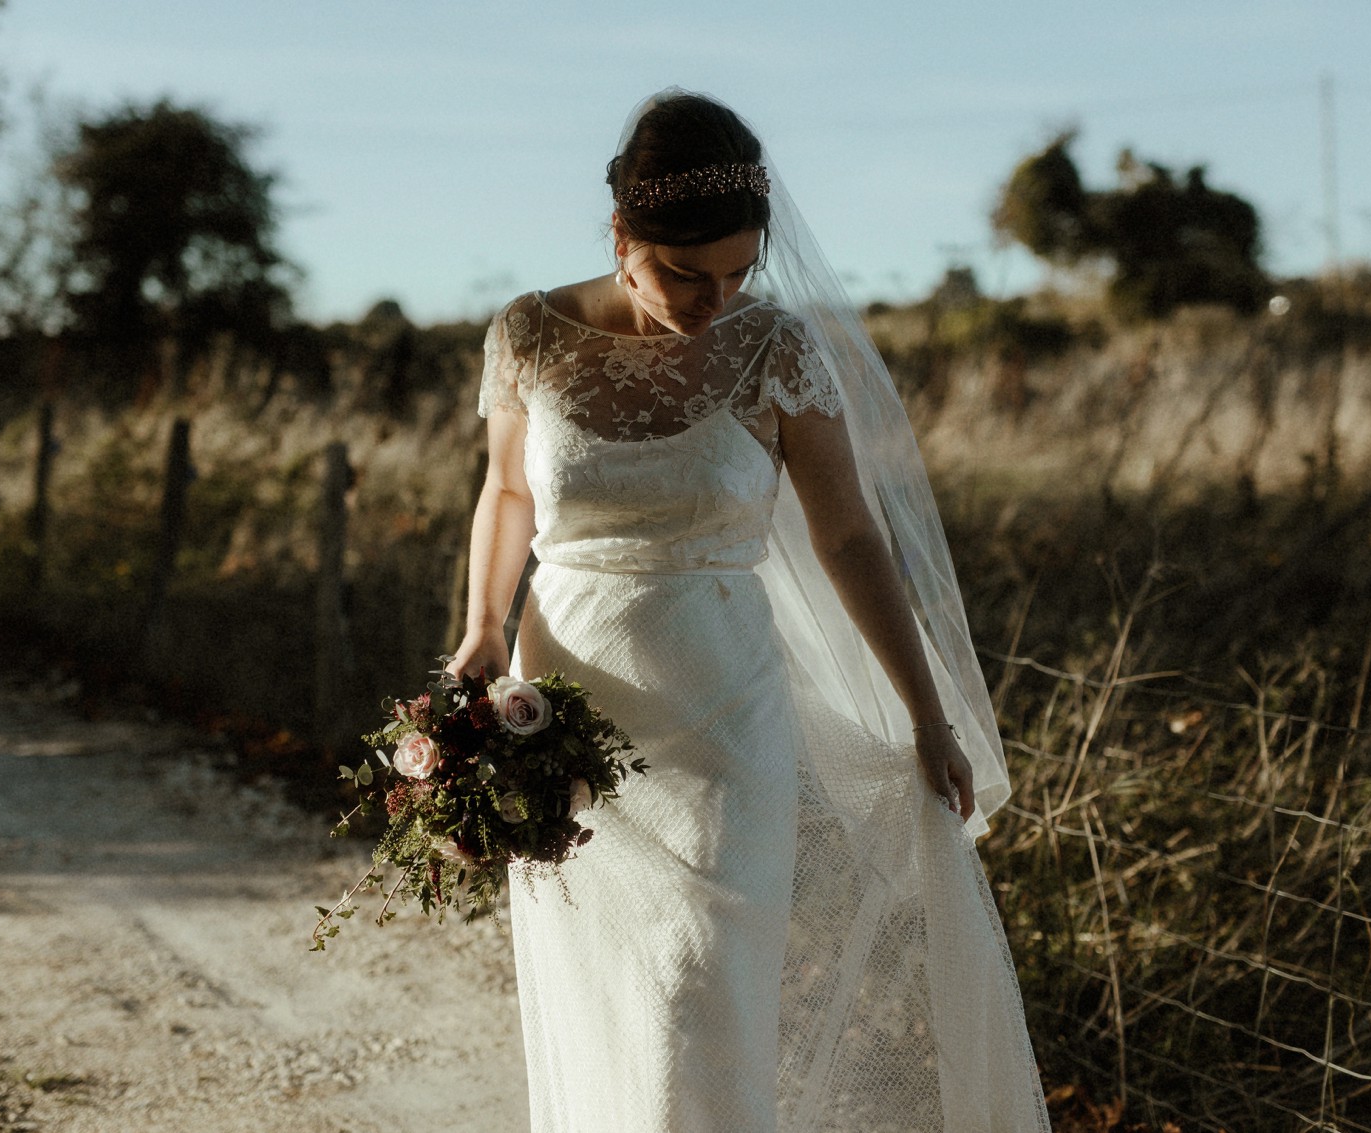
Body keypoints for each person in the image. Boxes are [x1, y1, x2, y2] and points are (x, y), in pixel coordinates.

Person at [449, 90, 1049, 1133]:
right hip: (564, 711)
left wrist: (926, 713)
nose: (712, 299)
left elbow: (851, 536)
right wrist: (480, 630)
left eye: (737, 271)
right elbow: (506, 493)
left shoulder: (773, 349)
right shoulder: (529, 336)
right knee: (605, 991)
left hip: (726, 712)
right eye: (685, 273)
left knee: (696, 986)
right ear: (622, 236)